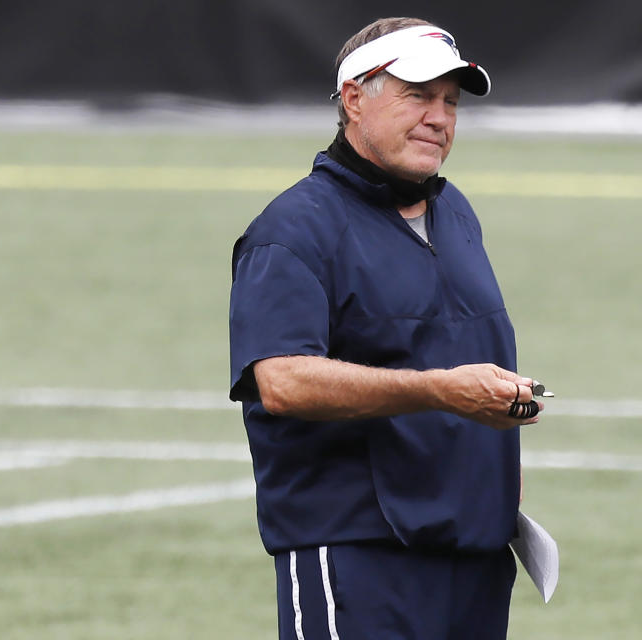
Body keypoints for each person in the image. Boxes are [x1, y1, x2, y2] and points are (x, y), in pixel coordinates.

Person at [229, 16, 544, 640]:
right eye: (418, 95)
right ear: (354, 98)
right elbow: (283, 381)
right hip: (357, 554)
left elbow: (461, 348)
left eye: (451, 102)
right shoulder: (292, 231)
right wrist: (438, 390)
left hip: (474, 551)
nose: (439, 118)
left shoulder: (453, 212)